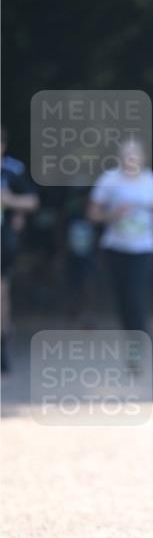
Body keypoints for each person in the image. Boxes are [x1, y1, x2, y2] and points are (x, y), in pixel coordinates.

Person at [87, 139, 153, 364]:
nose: (130, 158)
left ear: (142, 157)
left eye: (135, 154)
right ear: (119, 156)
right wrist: (112, 215)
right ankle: (130, 338)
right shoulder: (109, 180)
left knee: (136, 298)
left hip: (143, 248)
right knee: (123, 299)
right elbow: (93, 214)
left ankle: (136, 348)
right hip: (115, 248)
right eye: (126, 154)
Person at [1, 127, 39, 372]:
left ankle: (3, 345)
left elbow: (32, 201)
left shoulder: (12, 170)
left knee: (1, 293)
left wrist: (9, 202)